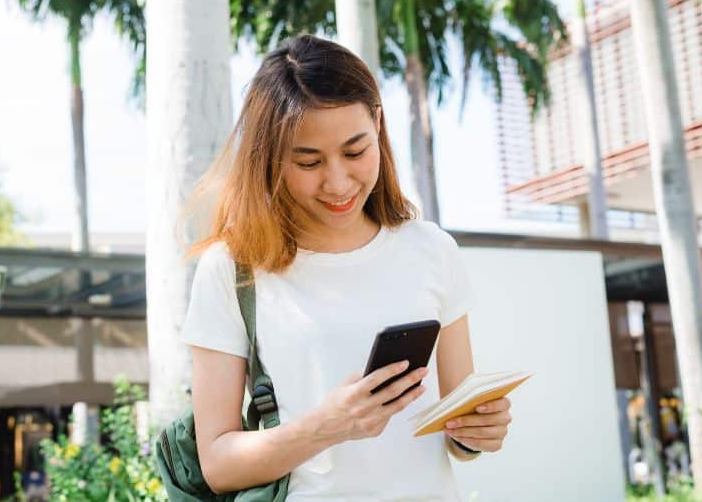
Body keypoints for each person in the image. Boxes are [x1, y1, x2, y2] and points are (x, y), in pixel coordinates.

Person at [180, 34, 513, 501]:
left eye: (355, 152)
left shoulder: (433, 250)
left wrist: (476, 433)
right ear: (270, 157)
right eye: (308, 161)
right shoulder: (233, 269)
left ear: (377, 123)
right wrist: (325, 427)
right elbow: (217, 464)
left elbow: (455, 429)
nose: (338, 182)